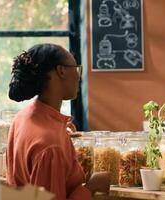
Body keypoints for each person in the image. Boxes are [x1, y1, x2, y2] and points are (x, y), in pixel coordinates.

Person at [6, 43, 110, 200]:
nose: (78, 76)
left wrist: (60, 131)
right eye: (76, 68)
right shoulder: (50, 145)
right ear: (61, 71)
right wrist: (90, 188)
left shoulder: (22, 118)